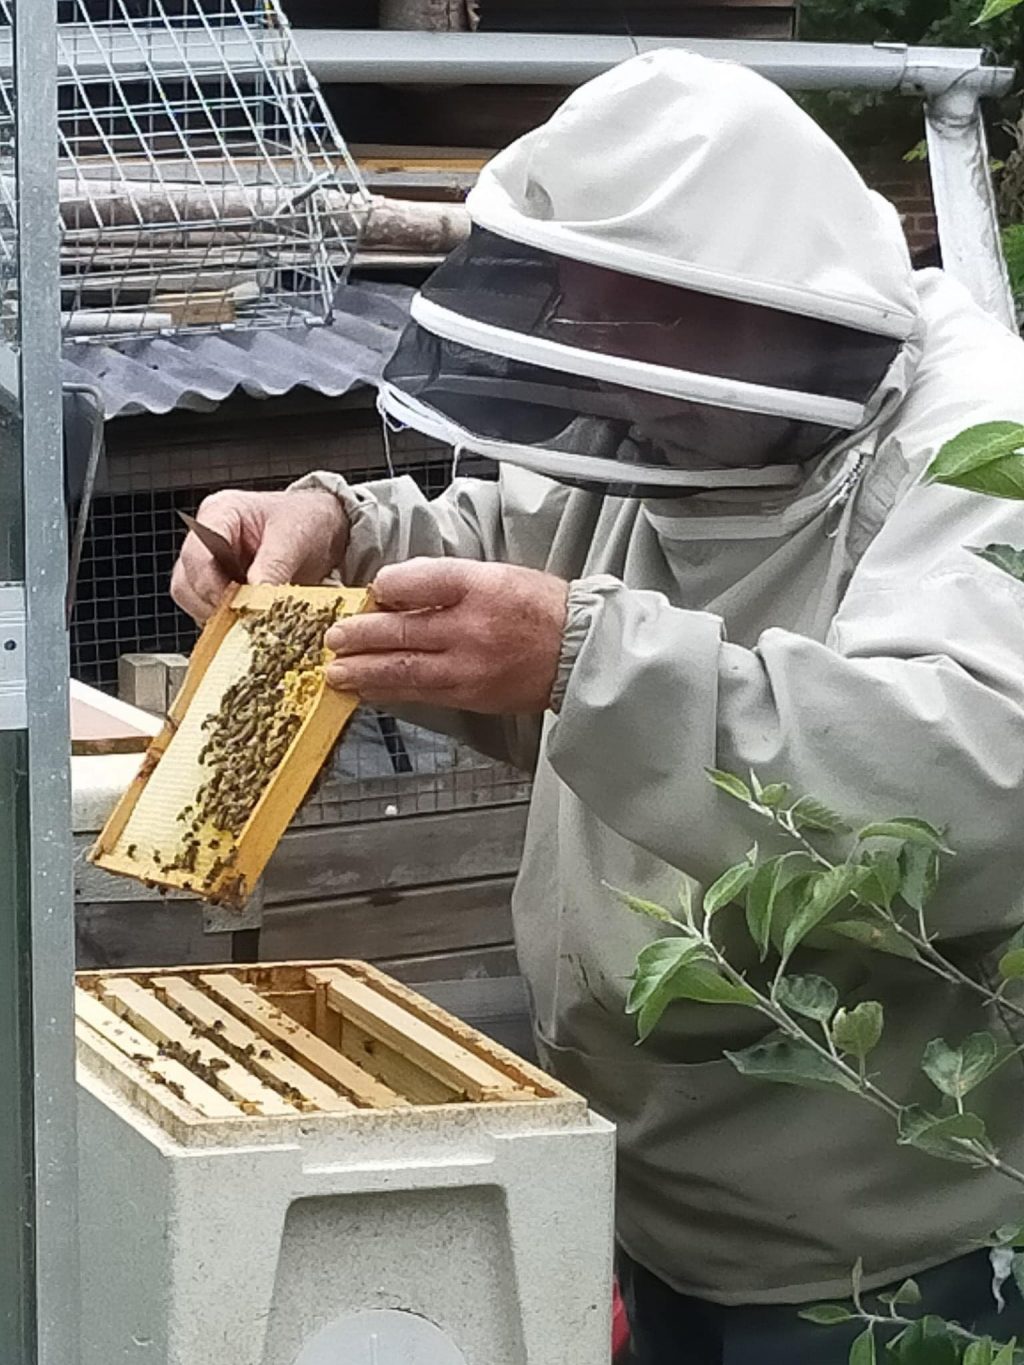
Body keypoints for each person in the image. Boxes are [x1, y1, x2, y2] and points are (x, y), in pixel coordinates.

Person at [172, 49, 1024, 1364]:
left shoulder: (980, 448)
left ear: (750, 298)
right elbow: (515, 529)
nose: (605, 385)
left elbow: (960, 785)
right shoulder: (660, 413)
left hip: (899, 1260)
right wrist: (334, 530)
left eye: (633, 331)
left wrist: (579, 658)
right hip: (639, 1196)